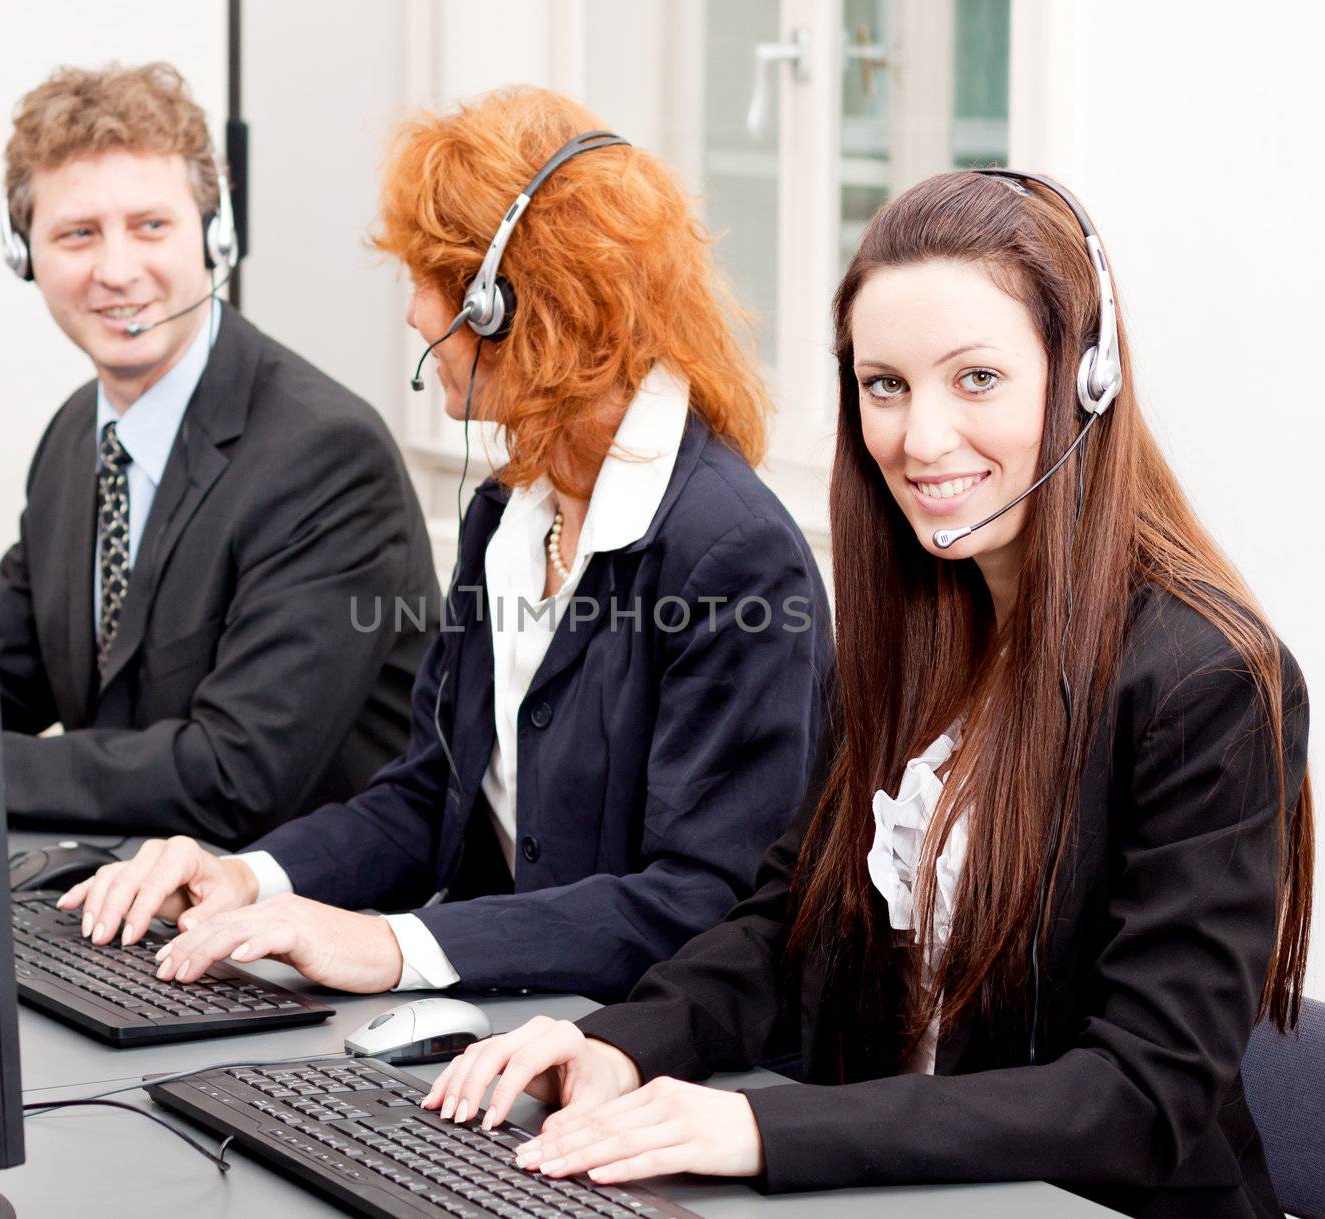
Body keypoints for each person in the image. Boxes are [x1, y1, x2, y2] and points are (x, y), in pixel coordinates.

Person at [424, 171, 1316, 1219]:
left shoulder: (1204, 677)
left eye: (974, 378)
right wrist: (616, 1041)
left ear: (1087, 380)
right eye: (883, 384)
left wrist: (761, 1128)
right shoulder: (915, 630)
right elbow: (786, 929)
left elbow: (1141, 1091)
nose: (921, 438)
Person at [59, 87, 833, 1001]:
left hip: (654, 1068)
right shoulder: (513, 507)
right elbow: (430, 793)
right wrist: (248, 877)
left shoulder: (731, 554)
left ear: (506, 302)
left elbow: (704, 901)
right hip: (510, 1026)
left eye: (429, 280)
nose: (417, 315)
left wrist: (396, 946)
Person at [0, 63, 437, 848]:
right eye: (77, 234)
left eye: (151, 226)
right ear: (23, 253)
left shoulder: (327, 457)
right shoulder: (73, 439)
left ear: (217, 233)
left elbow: (236, 775)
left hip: (311, 927)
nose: (117, 270)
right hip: (130, 890)